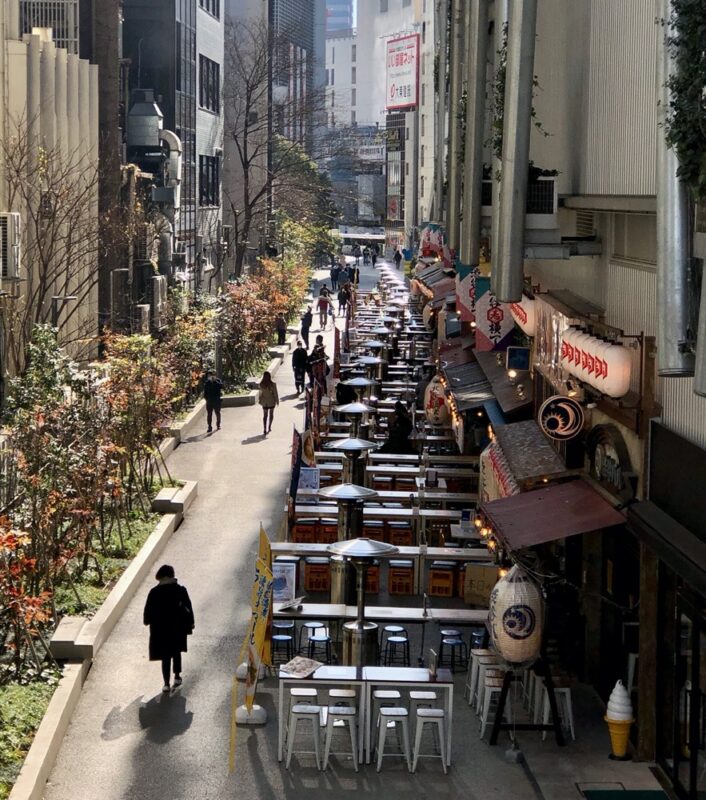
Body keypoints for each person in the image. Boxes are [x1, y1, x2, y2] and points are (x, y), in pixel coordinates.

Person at [143, 564, 194, 693]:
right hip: (177, 628)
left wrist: (147, 621)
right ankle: (177, 676)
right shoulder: (180, 590)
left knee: (165, 656)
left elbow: (148, 611)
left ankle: (166, 683)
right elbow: (188, 607)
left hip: (160, 630)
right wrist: (191, 624)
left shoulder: (154, 592)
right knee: (176, 652)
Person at [258, 371, 279, 435]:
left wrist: (260, 400)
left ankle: (264, 428)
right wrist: (277, 401)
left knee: (265, 415)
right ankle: (269, 426)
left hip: (264, 402)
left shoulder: (261, 384)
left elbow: (260, 393)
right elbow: (275, 393)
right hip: (271, 401)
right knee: (271, 414)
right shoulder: (273, 384)